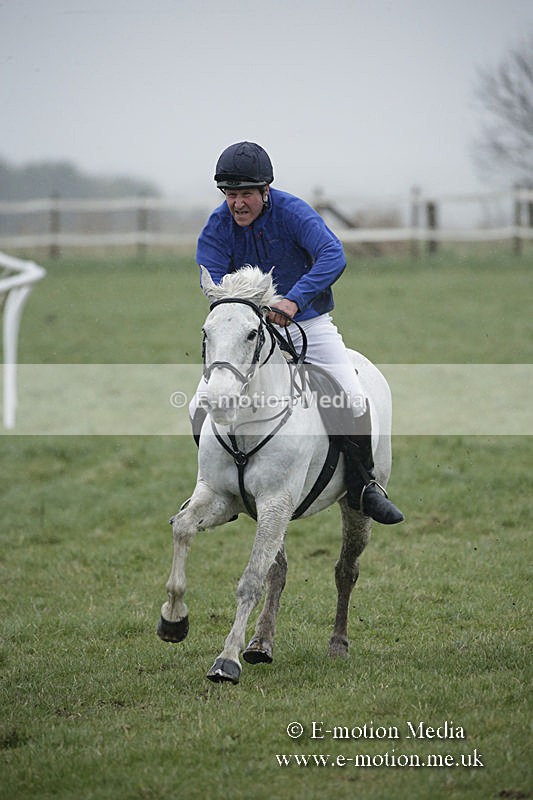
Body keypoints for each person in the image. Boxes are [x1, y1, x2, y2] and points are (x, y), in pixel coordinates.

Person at [192, 141, 403, 525]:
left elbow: (332, 254)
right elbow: (213, 278)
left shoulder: (293, 213)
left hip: (309, 323)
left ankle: (364, 487)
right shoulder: (218, 225)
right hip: (252, 331)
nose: (237, 204)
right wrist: (242, 314)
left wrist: (294, 300)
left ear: (265, 191)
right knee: (197, 404)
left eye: (245, 195)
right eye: (230, 195)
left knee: (352, 398)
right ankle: (217, 486)